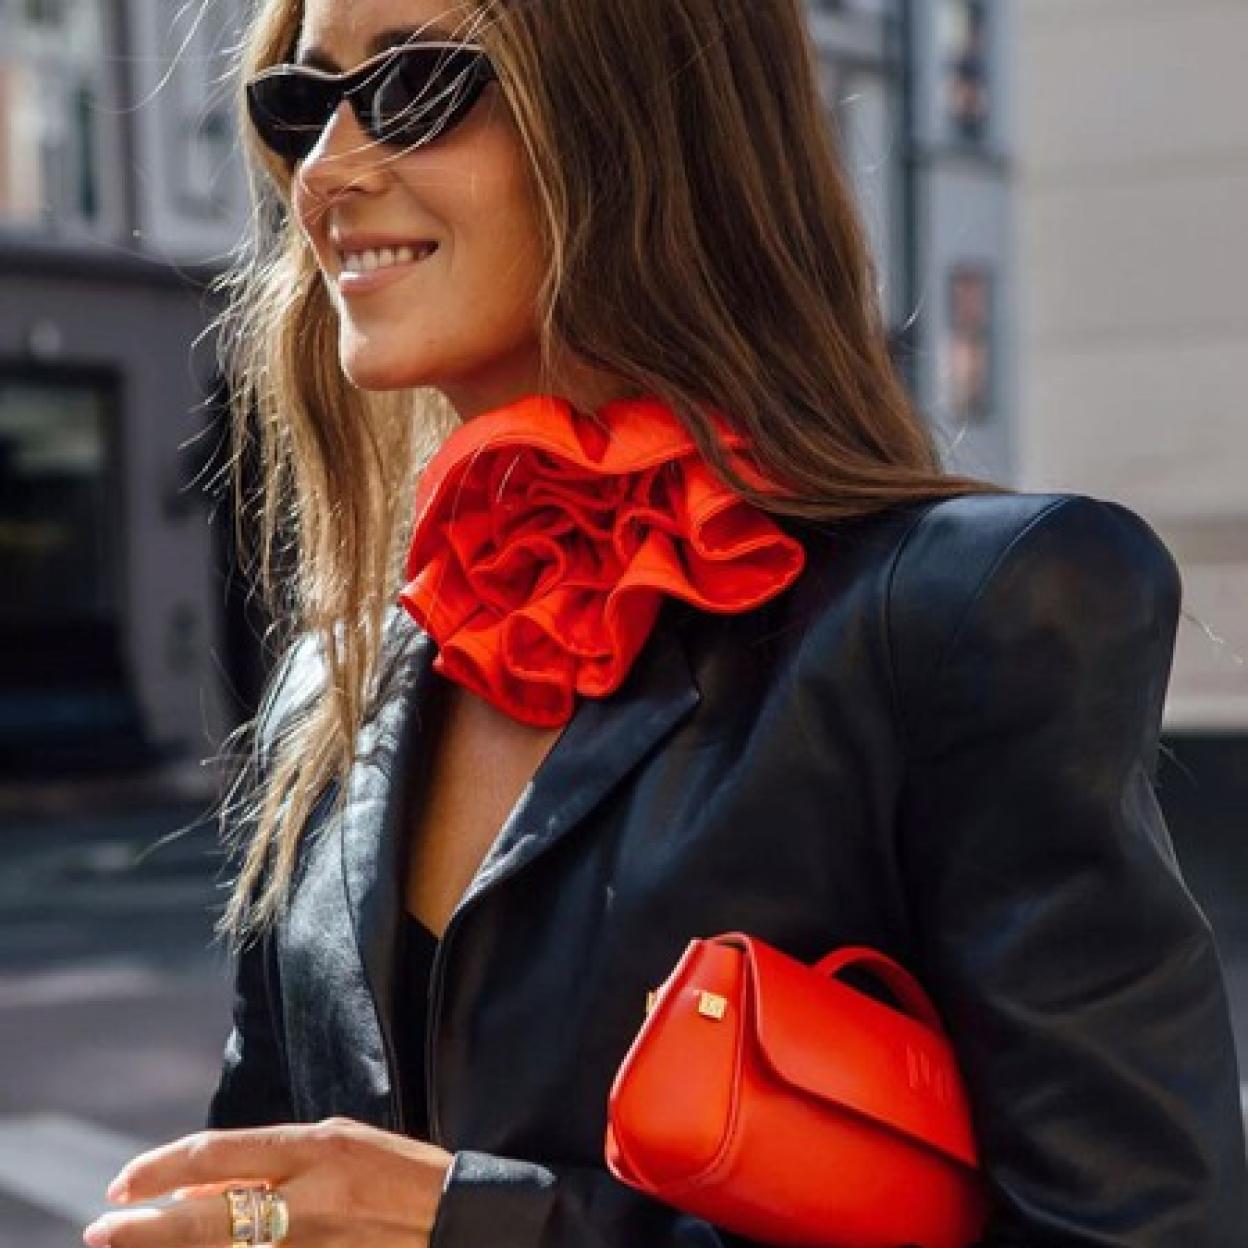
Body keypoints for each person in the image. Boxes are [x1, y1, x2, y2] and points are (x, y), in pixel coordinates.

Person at [81, 1, 1248, 1247]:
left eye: (421, 83)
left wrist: (495, 1231)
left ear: (638, 118)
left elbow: (1141, 1228)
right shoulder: (333, 677)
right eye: (300, 103)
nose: (326, 171)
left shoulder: (976, 611)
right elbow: (271, 1165)